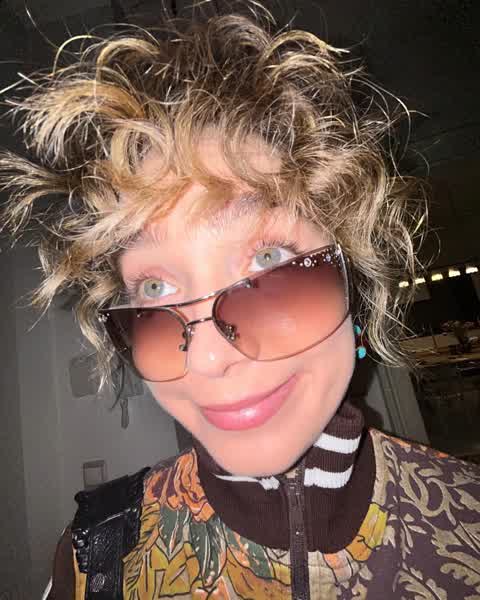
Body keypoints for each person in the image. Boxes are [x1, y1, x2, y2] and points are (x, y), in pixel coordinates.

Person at [1, 2, 479, 599]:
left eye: (268, 260)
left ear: (353, 279)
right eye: (155, 289)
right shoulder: (94, 558)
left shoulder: (468, 523)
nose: (206, 358)